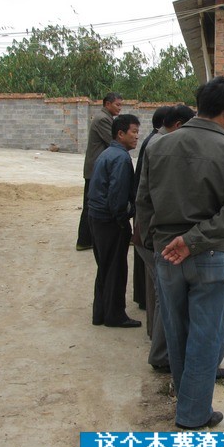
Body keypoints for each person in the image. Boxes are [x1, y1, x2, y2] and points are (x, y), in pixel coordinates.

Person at [137, 76, 224, 430]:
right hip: (211, 255)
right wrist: (193, 240)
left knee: (177, 333)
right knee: (206, 338)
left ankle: (186, 402)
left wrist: (158, 244)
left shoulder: (158, 146)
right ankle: (192, 414)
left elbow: (143, 202)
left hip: (166, 254)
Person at [135, 104, 196, 371]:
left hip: (150, 233)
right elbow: (146, 196)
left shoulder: (156, 141)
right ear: (180, 126)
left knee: (161, 294)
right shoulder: (160, 145)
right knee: (165, 297)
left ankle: (159, 346)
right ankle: (161, 354)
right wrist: (151, 236)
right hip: (154, 234)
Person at [89, 114, 141, 328]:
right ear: (120, 134)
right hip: (110, 221)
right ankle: (115, 315)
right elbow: (117, 197)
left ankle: (100, 313)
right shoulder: (120, 158)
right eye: (133, 132)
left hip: (97, 217)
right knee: (116, 269)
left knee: (105, 267)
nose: (137, 137)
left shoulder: (107, 153)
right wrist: (124, 218)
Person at [132, 105, 172, 311]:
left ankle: (143, 303)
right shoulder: (158, 143)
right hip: (146, 221)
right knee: (157, 286)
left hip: (144, 221)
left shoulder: (153, 140)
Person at [76, 92, 123, 251]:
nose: (119, 108)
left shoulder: (106, 118)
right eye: (117, 105)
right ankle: (84, 239)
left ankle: (87, 239)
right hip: (95, 170)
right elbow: (114, 142)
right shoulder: (103, 119)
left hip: (96, 169)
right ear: (107, 104)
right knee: (91, 204)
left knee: (93, 203)